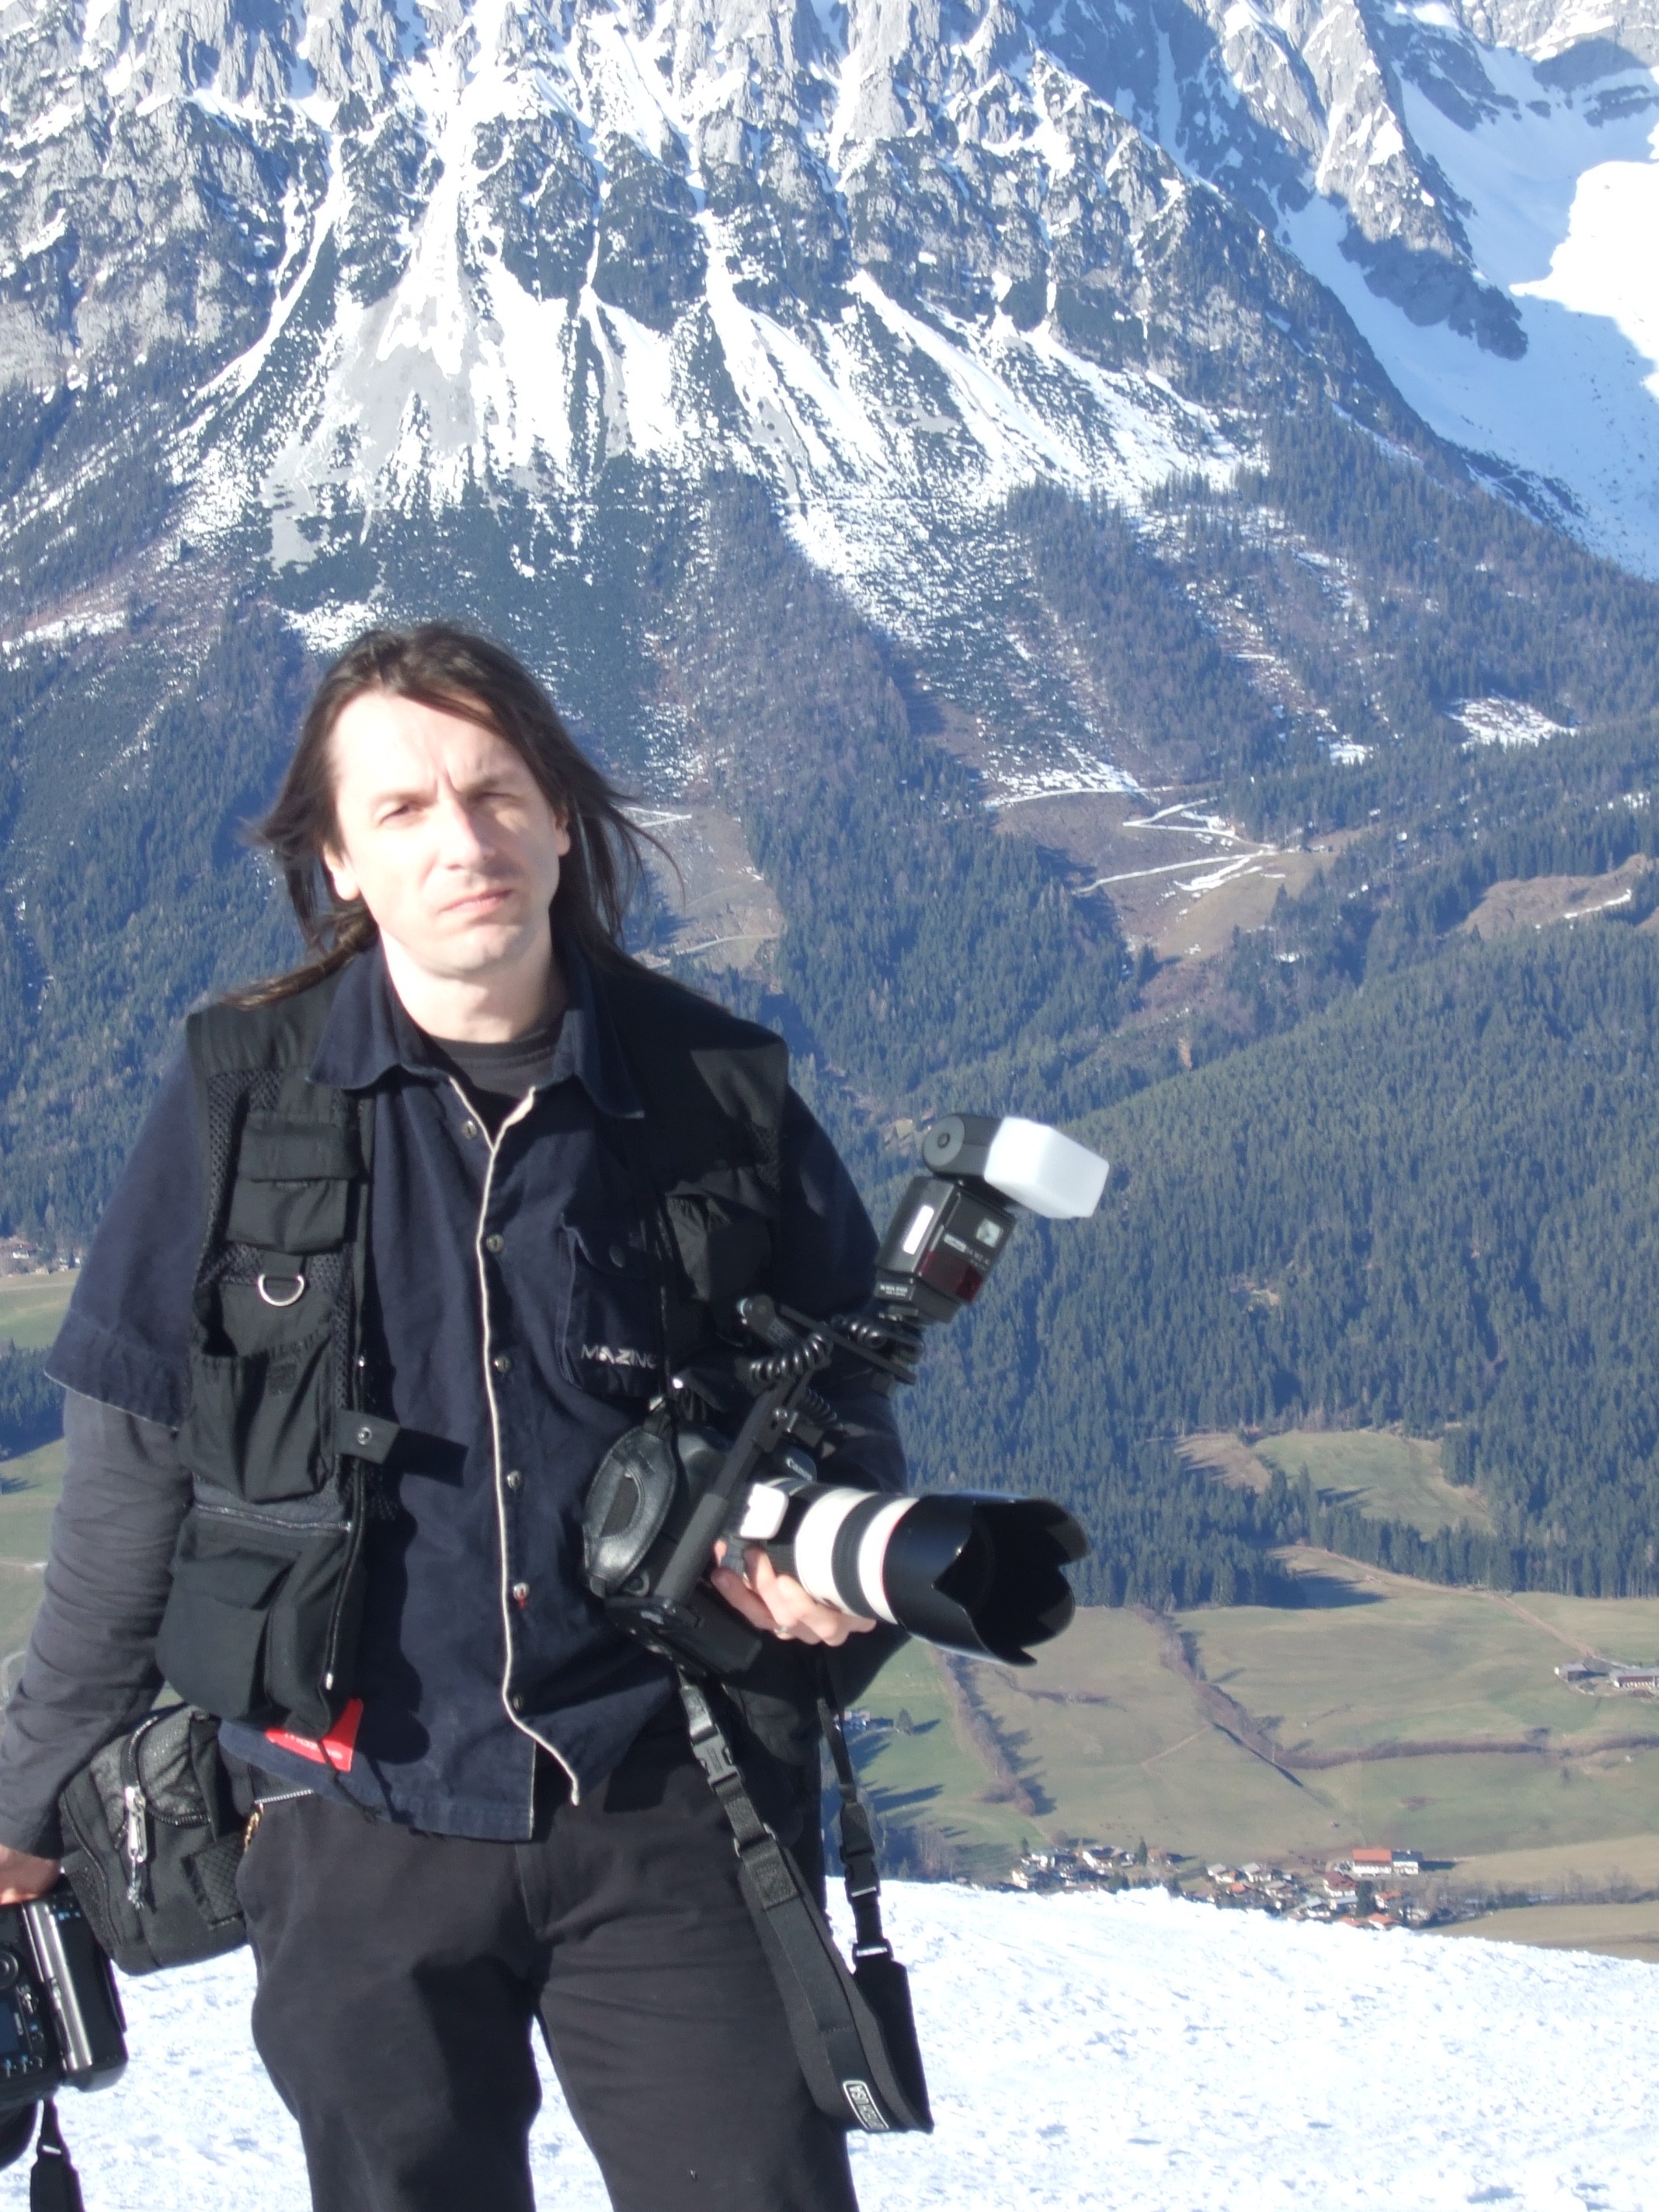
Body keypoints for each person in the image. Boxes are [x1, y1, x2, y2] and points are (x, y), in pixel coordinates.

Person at [0, 624, 909, 2212]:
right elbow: (133, 1484)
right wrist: (22, 1804)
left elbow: (849, 1418)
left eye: (495, 793)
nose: (462, 840)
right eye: (404, 808)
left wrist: (830, 1588)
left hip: (674, 1801)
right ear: (339, 861)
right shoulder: (239, 1098)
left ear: (561, 817)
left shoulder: (721, 1093)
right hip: (349, 1817)